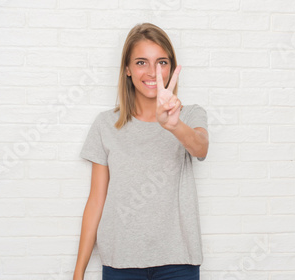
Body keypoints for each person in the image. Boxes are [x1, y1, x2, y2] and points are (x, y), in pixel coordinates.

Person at [73, 22, 209, 280]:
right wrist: (78, 272)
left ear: (171, 67)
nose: (152, 72)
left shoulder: (190, 115)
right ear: (127, 69)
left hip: (178, 262)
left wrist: (174, 125)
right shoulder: (106, 124)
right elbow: (96, 201)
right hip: (120, 262)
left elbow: (200, 148)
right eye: (141, 62)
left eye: (161, 62)